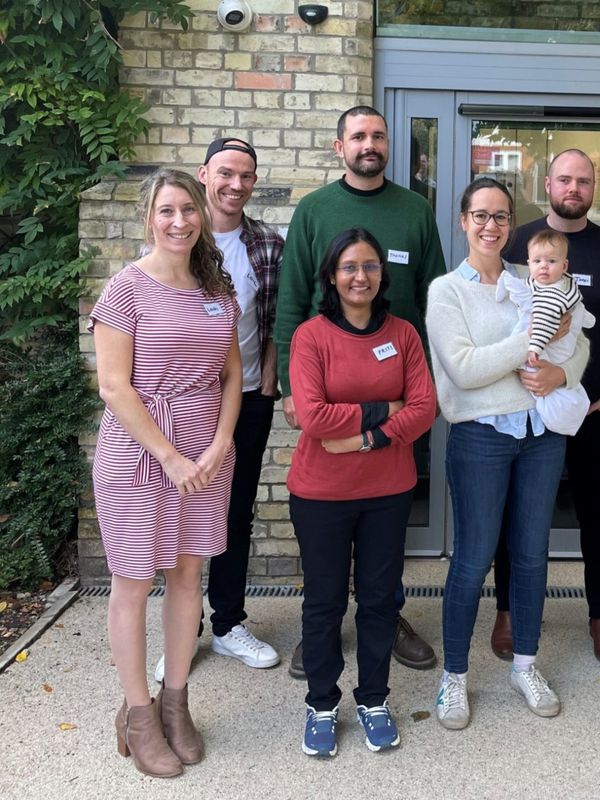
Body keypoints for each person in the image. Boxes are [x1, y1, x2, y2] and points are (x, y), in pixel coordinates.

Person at [275, 105, 446, 677]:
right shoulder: (314, 210)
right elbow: (291, 299)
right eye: (358, 136)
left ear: (389, 144)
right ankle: (319, 629)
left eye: (378, 135)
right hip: (328, 382)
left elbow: (435, 298)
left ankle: (386, 616)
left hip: (402, 376)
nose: (368, 144)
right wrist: (290, 387)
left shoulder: (415, 210)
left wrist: (424, 392)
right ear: (339, 146)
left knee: (385, 516)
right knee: (328, 524)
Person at [90, 169, 242, 777]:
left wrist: (221, 443)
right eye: (167, 210)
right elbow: (113, 386)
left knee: (187, 576)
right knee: (132, 581)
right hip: (140, 453)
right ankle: (137, 714)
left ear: (202, 215)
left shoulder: (217, 289)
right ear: (149, 217)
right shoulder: (126, 288)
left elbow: (232, 375)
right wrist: (170, 456)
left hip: (206, 453)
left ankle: (175, 703)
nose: (180, 221)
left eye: (188, 210)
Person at [426, 177, 590, 729]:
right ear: (463, 221)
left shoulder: (534, 276)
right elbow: (464, 370)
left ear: (511, 225)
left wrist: (560, 373)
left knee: (531, 555)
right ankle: (453, 677)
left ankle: (525, 665)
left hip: (540, 435)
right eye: (480, 215)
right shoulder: (446, 291)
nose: (490, 225)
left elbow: (580, 343)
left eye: (501, 216)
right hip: (481, 436)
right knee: (473, 559)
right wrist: (533, 340)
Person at [288, 227, 436, 758]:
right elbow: (313, 416)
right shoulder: (311, 337)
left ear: (382, 274)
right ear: (332, 276)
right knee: (324, 602)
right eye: (349, 267)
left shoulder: (403, 334)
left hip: (387, 492)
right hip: (321, 494)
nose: (360, 276)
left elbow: (424, 408)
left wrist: (364, 438)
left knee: (378, 600)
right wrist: (384, 409)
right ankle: (321, 704)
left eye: (370, 266)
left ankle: (374, 699)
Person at [495, 149, 600, 665]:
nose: (573, 188)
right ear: (548, 185)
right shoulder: (518, 243)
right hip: (524, 408)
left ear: (594, 187)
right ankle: (508, 611)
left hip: (591, 409)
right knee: (516, 513)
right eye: (564, 179)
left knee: (596, 512)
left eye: (583, 180)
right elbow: (496, 320)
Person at [151, 138, 283, 682]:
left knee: (234, 511)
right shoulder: (177, 236)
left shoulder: (267, 244)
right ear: (204, 173)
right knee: (178, 516)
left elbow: (276, 316)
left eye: (246, 176)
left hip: (246, 398)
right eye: (226, 172)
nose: (236, 184)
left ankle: (228, 623)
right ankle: (183, 632)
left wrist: (269, 378)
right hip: (183, 404)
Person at [495, 228, 594, 435]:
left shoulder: (551, 293)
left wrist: (534, 348)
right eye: (537, 261)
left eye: (551, 261)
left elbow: (542, 324)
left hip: (548, 352)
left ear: (564, 265)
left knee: (536, 367)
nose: (544, 266)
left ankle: (562, 415)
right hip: (499, 419)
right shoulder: (560, 284)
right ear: (529, 263)